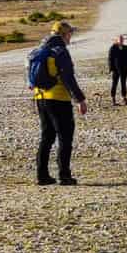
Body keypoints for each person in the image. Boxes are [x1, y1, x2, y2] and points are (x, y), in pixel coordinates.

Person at [31, 21, 86, 185]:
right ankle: (64, 175)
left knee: (46, 137)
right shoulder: (60, 51)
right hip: (58, 98)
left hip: (40, 98)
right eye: (70, 33)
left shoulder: (40, 49)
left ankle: (42, 175)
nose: (71, 36)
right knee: (65, 136)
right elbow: (68, 78)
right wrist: (80, 99)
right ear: (63, 34)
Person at [107, 35, 127, 105]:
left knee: (123, 84)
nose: (121, 40)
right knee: (114, 84)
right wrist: (111, 68)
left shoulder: (125, 48)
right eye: (120, 39)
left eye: (122, 39)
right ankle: (113, 100)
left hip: (124, 70)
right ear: (117, 40)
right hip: (116, 70)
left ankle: (124, 99)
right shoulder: (113, 48)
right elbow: (110, 59)